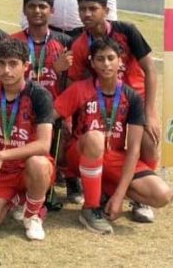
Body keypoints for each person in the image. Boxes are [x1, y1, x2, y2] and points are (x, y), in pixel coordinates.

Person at [54, 38, 172, 234]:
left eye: (111, 58)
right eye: (100, 59)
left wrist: (119, 196)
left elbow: (134, 149)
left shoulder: (131, 96)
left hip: (114, 156)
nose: (106, 64)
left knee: (162, 194)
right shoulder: (80, 88)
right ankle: (91, 209)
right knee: (95, 137)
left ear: (121, 62)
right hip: (82, 153)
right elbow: (50, 115)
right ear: (92, 63)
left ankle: (107, 192)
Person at [68, 0, 159, 219]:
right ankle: (104, 189)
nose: (86, 14)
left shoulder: (127, 31)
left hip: (134, 100)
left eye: (92, 9)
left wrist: (151, 112)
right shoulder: (79, 44)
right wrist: (70, 118)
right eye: (82, 9)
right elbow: (74, 82)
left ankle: (140, 201)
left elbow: (150, 69)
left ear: (106, 10)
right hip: (104, 105)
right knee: (102, 146)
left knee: (148, 142)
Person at [0, 38, 54, 241]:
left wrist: (1, 154)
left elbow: (44, 145)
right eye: (1, 63)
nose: (6, 70)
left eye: (13, 64)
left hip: (31, 169)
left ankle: (33, 213)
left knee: (38, 163)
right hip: (3, 171)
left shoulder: (40, 95)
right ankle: (16, 200)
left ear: (26, 66)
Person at [10, 0, 72, 99]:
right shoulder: (12, 41)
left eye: (42, 7)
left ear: (52, 11)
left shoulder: (66, 42)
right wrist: (53, 69)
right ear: (24, 10)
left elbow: (71, 83)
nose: (37, 11)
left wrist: (59, 72)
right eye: (32, 6)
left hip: (55, 110)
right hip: (21, 109)